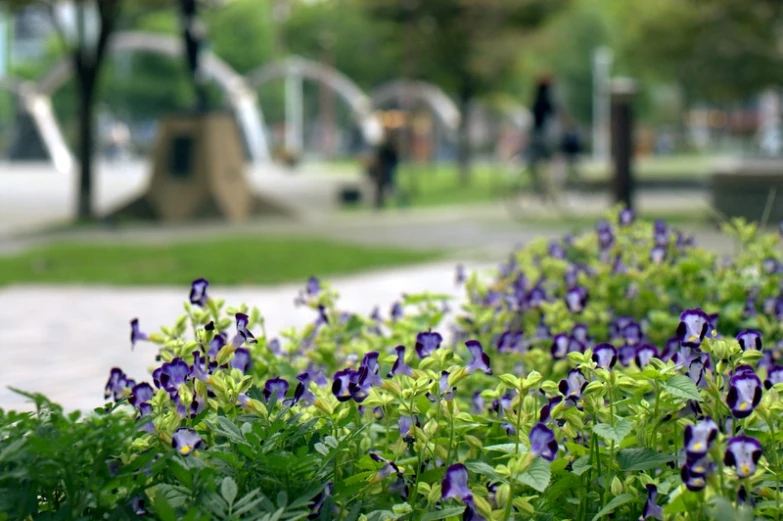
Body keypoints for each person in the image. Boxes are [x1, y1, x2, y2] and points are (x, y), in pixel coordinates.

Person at [527, 75, 557, 194]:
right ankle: (547, 187)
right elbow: (554, 113)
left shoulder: (536, 101)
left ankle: (540, 185)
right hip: (543, 136)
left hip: (536, 134)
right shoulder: (545, 101)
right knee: (547, 161)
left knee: (536, 162)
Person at [373, 137, 399, 209]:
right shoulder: (386, 149)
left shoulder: (386, 149)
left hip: (387, 170)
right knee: (384, 187)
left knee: (389, 187)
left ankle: (380, 204)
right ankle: (379, 204)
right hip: (385, 170)